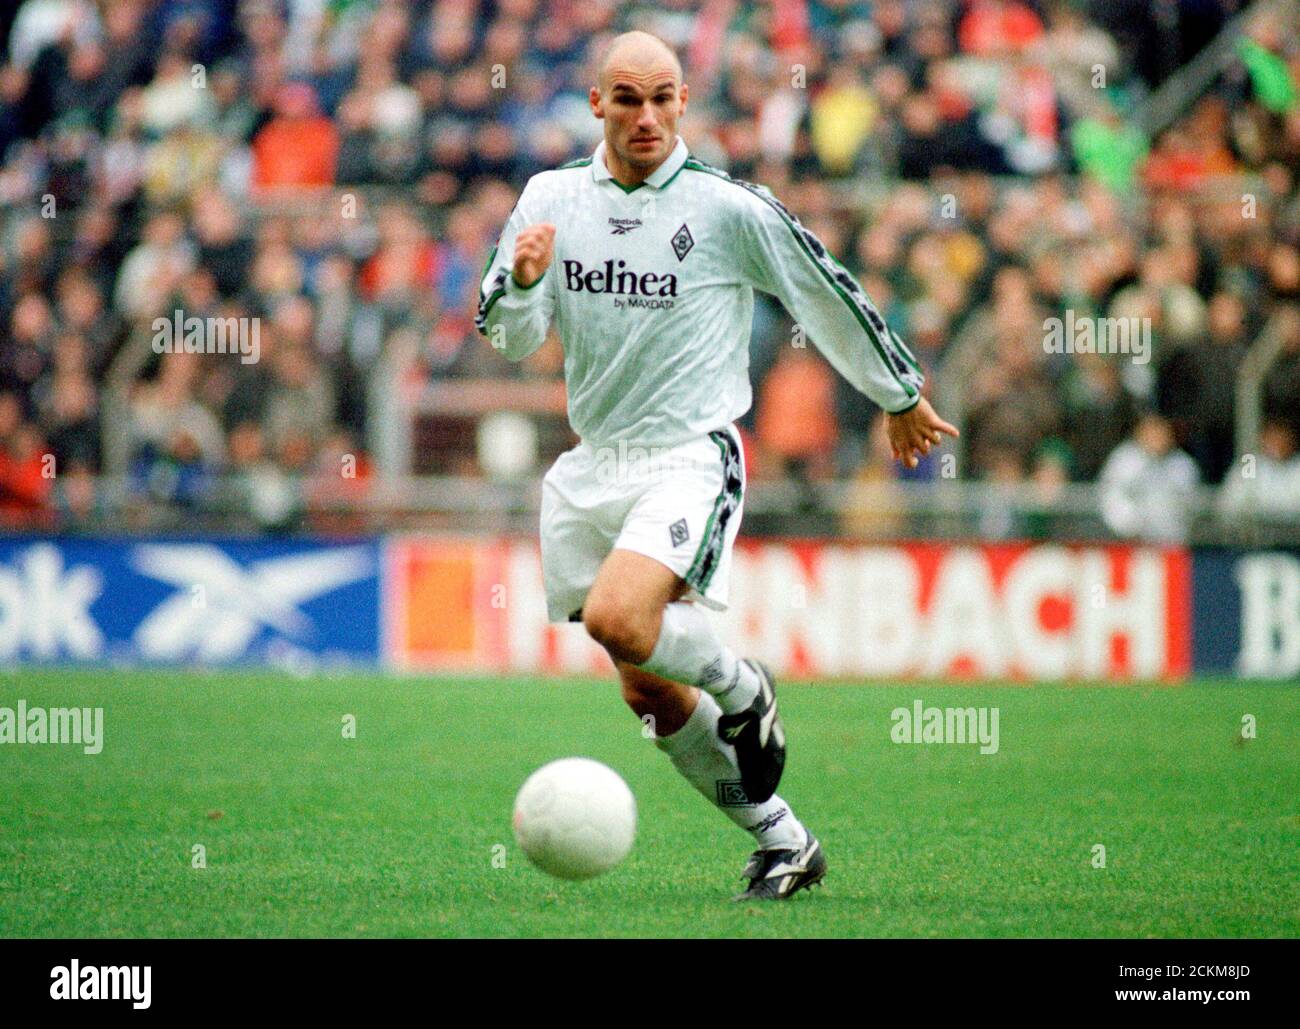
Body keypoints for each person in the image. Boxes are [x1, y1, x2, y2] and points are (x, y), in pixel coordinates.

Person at [477, 31, 957, 900]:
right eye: (628, 97)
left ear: (685, 100)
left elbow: (822, 283)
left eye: (664, 96)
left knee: (622, 618)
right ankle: (786, 842)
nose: (648, 115)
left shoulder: (725, 207)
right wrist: (516, 280)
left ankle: (743, 684)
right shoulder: (549, 199)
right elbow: (511, 339)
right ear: (596, 104)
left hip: (689, 457)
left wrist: (898, 393)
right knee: (650, 694)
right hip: (594, 465)